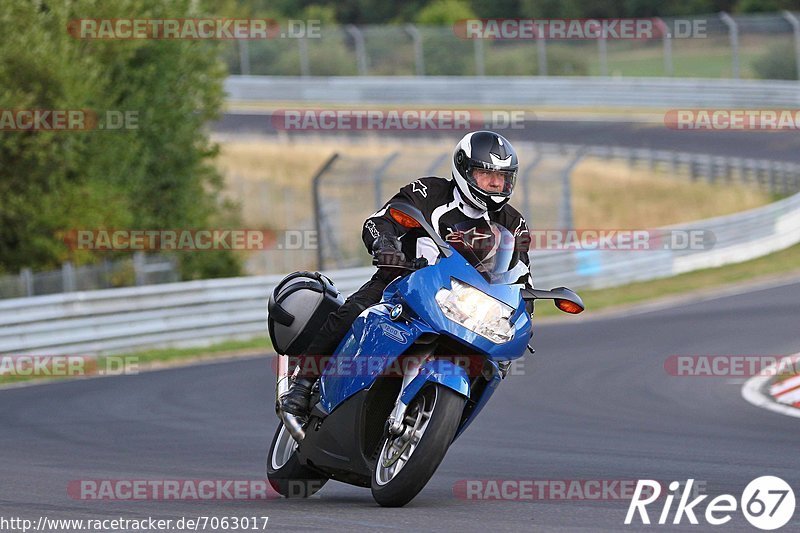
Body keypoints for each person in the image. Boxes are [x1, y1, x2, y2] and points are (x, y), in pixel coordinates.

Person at [280, 130, 532, 418]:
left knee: (492, 364)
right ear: (464, 170)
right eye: (487, 174)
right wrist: (386, 246)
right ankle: (302, 385)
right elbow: (380, 220)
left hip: (466, 306)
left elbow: (521, 275)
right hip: (404, 281)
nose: (496, 184)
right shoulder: (429, 192)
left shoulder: (513, 222)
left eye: (503, 177)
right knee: (355, 310)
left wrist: (524, 315)